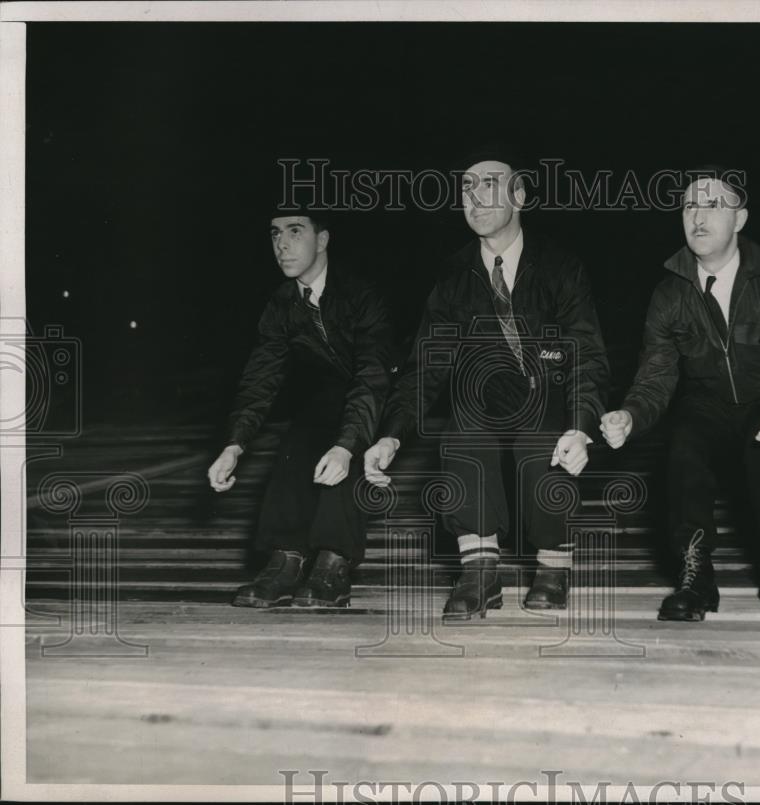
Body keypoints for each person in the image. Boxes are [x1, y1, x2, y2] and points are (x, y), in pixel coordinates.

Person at [364, 148, 610, 619]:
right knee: (461, 435)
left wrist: (581, 424)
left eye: (490, 186)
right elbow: (426, 365)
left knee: (542, 444)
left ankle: (553, 564)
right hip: (485, 394)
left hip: (546, 391)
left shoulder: (560, 265)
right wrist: (391, 433)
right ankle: (480, 570)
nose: (475, 199)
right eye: (466, 189)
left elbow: (587, 353)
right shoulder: (454, 273)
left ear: (519, 195)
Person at [601, 169, 760, 621]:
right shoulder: (669, 293)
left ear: (740, 219)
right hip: (705, 403)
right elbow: (656, 377)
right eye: (689, 205)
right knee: (683, 446)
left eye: (713, 205)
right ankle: (696, 578)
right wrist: (630, 415)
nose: (698, 216)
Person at [208, 208, 394, 609]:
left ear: (322, 240)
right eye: (275, 233)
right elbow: (261, 379)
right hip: (334, 394)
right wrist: (234, 445)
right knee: (300, 435)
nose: (282, 244)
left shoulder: (362, 293)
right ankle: (286, 558)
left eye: (295, 231)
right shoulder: (281, 304)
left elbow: (372, 377)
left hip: (388, 394)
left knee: (347, 442)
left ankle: (333, 561)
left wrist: (347, 446)